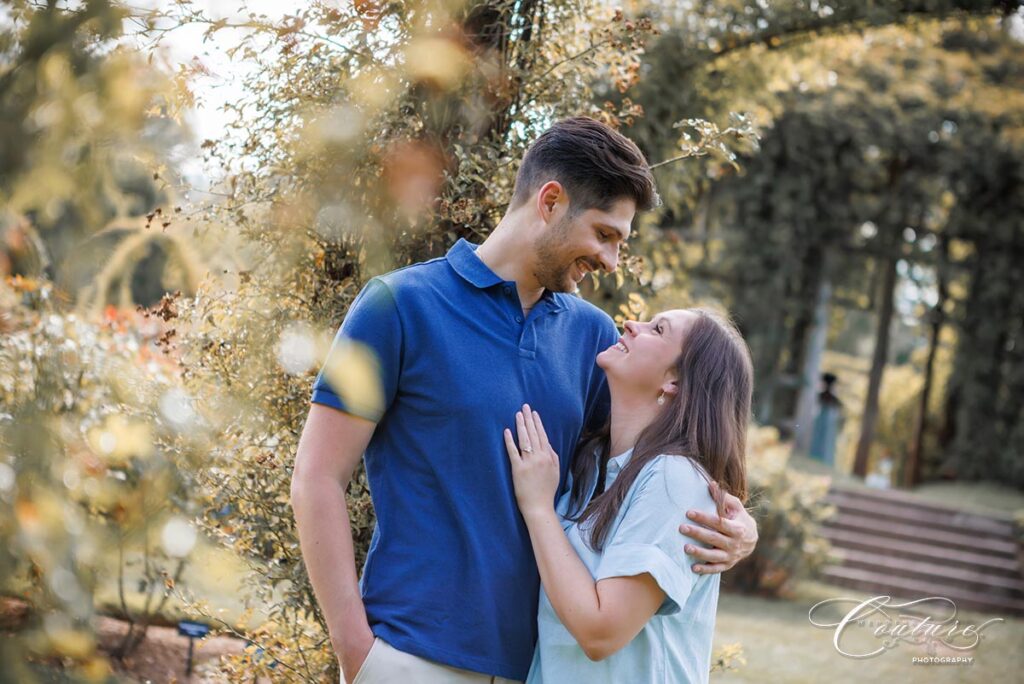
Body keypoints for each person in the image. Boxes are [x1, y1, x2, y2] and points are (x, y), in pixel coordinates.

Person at [290, 116, 759, 684]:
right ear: (551, 201)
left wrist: (736, 529)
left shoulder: (594, 340)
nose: (611, 261)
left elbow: (658, 460)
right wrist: (356, 650)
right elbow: (317, 475)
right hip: (410, 658)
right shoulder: (398, 306)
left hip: (538, 669)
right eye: (604, 234)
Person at [504, 307, 752, 683]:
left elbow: (601, 632)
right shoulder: (592, 467)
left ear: (674, 382)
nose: (630, 324)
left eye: (657, 329)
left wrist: (539, 509)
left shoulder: (675, 479)